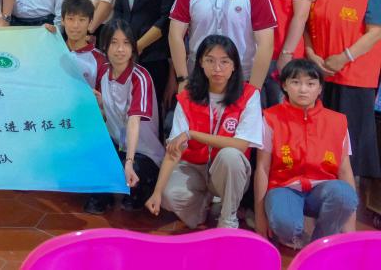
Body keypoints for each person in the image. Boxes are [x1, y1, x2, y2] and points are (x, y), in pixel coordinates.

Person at [146, 35, 263, 229]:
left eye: (224, 62)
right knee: (169, 195)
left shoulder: (249, 95)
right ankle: (202, 210)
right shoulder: (187, 97)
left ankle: (228, 219)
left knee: (231, 156)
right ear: (200, 63)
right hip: (194, 168)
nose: (217, 68)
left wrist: (192, 134)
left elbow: (241, 145)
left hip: (226, 170)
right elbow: (174, 149)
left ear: (234, 66)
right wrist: (157, 192)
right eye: (210, 61)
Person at [254, 59, 358, 248]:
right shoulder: (270, 118)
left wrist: (350, 226)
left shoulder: (337, 122)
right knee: (285, 224)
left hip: (323, 189)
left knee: (345, 195)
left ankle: (321, 242)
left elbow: (345, 170)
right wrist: (260, 217)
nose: (303, 89)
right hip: (284, 187)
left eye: (310, 84)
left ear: (320, 88)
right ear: (284, 85)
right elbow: (262, 167)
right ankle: (295, 234)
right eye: (295, 82)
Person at [305, 0, 381, 178]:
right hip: (319, 76)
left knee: (353, 141)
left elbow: (375, 32)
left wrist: (344, 57)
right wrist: (311, 54)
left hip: (355, 78)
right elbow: (303, 26)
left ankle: (350, 193)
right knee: (318, 137)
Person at [86, 19, 164, 214]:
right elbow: (110, 115)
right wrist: (101, 105)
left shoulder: (140, 77)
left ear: (133, 47)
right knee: (90, 155)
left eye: (126, 43)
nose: (120, 49)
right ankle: (103, 197)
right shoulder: (103, 72)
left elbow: (133, 121)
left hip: (143, 152)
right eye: (114, 42)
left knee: (131, 172)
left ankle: (140, 188)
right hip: (118, 144)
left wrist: (128, 162)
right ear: (105, 46)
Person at [60, 0, 106, 89]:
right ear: (62, 20)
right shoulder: (53, 50)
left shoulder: (101, 60)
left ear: (90, 23)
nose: (75, 25)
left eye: (82, 20)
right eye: (70, 19)